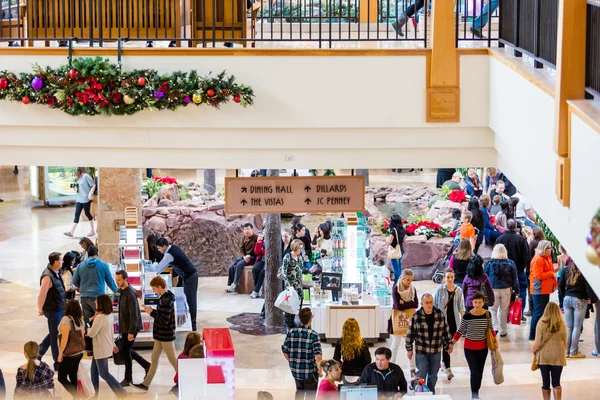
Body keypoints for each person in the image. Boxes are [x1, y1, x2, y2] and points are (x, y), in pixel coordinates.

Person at [134, 276, 177, 391]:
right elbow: (163, 315)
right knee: (154, 359)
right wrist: (152, 311)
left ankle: (183, 379)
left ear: (159, 287)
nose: (153, 291)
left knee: (173, 359)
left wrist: (151, 312)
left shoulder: (165, 300)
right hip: (161, 334)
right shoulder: (165, 298)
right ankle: (145, 384)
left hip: (165, 335)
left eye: (154, 289)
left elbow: (164, 319)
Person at [452, 292, 496, 400]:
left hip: (483, 348)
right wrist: (452, 343)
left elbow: (490, 328)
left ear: (483, 302)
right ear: (472, 303)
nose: (477, 304)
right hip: (470, 349)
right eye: (475, 302)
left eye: (479, 302)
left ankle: (476, 393)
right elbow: (460, 330)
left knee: (480, 372)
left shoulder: (487, 314)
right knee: (474, 371)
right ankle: (474, 396)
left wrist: (495, 340)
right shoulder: (467, 316)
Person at [405, 293, 451, 394]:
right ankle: (420, 393)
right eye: (426, 303)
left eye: (430, 302)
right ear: (422, 304)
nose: (429, 305)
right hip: (422, 350)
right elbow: (410, 334)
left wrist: (449, 345)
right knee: (421, 373)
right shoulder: (416, 316)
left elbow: (445, 331)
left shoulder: (439, 314)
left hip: (436, 350)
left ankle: (430, 393)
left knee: (433, 375)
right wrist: (409, 349)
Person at [87, 294, 127, 399]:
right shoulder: (109, 316)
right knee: (94, 372)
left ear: (101, 303)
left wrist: (87, 329)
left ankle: (121, 392)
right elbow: (110, 332)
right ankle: (94, 394)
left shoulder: (100, 318)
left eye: (96, 301)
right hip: (103, 347)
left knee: (104, 373)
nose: (95, 302)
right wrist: (113, 344)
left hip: (100, 349)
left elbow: (92, 334)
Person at [115, 270, 151, 386]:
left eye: (119, 280)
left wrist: (131, 332)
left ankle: (128, 378)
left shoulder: (130, 293)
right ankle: (146, 365)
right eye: (116, 280)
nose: (117, 282)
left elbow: (134, 314)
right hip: (125, 327)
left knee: (126, 351)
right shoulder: (121, 292)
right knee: (126, 350)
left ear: (126, 279)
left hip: (130, 328)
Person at [156, 237, 199, 331]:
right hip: (186, 276)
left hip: (190, 276)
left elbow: (159, 268)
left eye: (159, 248)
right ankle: (190, 321)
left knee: (191, 300)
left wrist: (151, 274)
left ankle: (193, 324)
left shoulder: (169, 255)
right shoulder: (173, 247)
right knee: (187, 298)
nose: (159, 250)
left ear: (164, 246)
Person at [71, 245, 119, 327]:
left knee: (88, 322)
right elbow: (110, 281)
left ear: (87, 254)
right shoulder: (104, 265)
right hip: (99, 297)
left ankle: (89, 338)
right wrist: (118, 292)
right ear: (97, 253)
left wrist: (81, 287)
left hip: (84, 297)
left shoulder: (81, 266)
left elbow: (74, 281)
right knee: (100, 321)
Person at [281, 307, 323, 400]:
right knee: (310, 396)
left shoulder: (291, 332)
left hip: (296, 371)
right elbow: (318, 356)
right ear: (310, 319)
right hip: (310, 373)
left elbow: (284, 350)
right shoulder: (314, 335)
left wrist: (292, 361)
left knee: (299, 392)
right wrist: (320, 370)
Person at [37, 252, 66, 371]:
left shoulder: (55, 272)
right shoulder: (48, 276)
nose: (62, 261)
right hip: (53, 310)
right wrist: (40, 309)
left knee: (54, 332)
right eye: (61, 260)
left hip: (58, 308)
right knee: (55, 336)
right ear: (55, 262)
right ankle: (57, 363)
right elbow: (41, 295)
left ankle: (39, 351)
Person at [434, 269, 465, 381]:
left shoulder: (458, 290)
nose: (450, 279)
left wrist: (465, 320)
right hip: (441, 322)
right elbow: (435, 305)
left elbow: (461, 307)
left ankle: (446, 365)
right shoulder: (439, 290)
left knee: (448, 345)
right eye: (448, 277)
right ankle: (447, 367)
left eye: (452, 277)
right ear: (444, 278)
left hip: (453, 321)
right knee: (442, 344)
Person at [496, 219, 531, 317]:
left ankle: (505, 314)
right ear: (516, 227)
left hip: (503, 272)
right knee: (522, 290)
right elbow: (527, 257)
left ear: (506, 226)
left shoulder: (500, 239)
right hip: (519, 270)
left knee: (505, 292)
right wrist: (525, 268)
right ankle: (519, 313)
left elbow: (495, 255)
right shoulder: (521, 239)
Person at [558, 259, 592, 358]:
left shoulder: (565, 270)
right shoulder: (583, 271)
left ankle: (566, 352)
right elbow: (587, 287)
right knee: (577, 327)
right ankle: (573, 352)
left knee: (569, 327)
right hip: (579, 300)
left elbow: (560, 286)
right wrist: (590, 299)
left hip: (567, 299)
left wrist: (563, 298)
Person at [533, 302, 567, 400]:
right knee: (556, 382)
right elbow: (565, 341)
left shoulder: (541, 323)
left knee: (545, 383)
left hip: (544, 356)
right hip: (558, 356)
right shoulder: (562, 324)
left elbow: (537, 343)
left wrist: (534, 352)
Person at [484, 244, 519, 337]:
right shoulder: (510, 263)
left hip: (493, 289)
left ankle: (494, 328)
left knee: (492, 309)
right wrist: (517, 290)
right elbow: (515, 278)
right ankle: (503, 330)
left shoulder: (489, 263)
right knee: (504, 310)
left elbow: (485, 277)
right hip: (506, 289)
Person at [389, 269, 418, 375]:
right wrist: (408, 302)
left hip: (409, 319)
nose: (409, 282)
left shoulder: (412, 289)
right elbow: (398, 306)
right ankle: (391, 365)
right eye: (407, 280)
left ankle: (412, 368)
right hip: (397, 320)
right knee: (395, 344)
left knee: (410, 344)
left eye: (411, 280)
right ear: (402, 278)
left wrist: (404, 303)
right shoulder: (396, 289)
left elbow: (416, 304)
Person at [529, 240, 557, 343]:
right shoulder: (538, 259)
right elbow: (538, 275)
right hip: (539, 290)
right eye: (549, 248)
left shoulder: (547, 258)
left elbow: (551, 271)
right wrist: (550, 274)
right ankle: (532, 336)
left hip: (546, 289)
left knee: (544, 312)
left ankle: (541, 333)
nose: (550, 250)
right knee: (538, 313)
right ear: (543, 249)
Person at [57, 299, 85, 398]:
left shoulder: (66, 319)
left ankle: (77, 396)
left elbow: (64, 338)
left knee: (61, 377)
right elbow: (82, 335)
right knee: (73, 375)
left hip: (69, 354)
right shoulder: (80, 319)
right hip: (79, 352)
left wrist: (60, 353)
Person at [333, 318, 372, 384]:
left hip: (346, 372)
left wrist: (342, 366)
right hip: (360, 373)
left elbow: (336, 358)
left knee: (347, 392)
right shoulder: (362, 342)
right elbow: (368, 360)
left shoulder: (340, 342)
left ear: (344, 329)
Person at [283, 239, 309, 330]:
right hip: (290, 285)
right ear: (295, 247)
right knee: (289, 304)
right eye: (299, 248)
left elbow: (301, 269)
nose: (300, 250)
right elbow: (284, 271)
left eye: (301, 249)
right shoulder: (287, 256)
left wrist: (309, 270)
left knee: (296, 304)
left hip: (298, 285)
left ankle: (292, 321)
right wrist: (288, 284)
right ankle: (287, 323)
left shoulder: (300, 257)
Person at [64, 167, 96, 238]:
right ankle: (71, 232)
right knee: (76, 214)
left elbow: (93, 185)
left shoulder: (86, 176)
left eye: (76, 168)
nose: (75, 170)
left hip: (86, 198)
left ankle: (93, 231)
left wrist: (90, 193)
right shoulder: (80, 177)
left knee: (87, 213)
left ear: (79, 169)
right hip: (79, 198)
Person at [226, 223, 258, 293]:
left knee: (239, 265)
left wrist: (249, 256)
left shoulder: (256, 238)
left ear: (252, 230)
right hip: (244, 256)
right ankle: (230, 285)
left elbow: (257, 251)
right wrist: (244, 256)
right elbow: (241, 249)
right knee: (231, 266)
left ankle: (235, 283)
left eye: (248, 229)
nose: (246, 231)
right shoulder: (243, 237)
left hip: (252, 257)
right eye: (245, 229)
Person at [525, 228, 546, 317]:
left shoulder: (532, 243)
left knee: (531, 290)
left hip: (533, 271)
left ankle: (531, 309)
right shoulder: (546, 243)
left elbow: (528, 257)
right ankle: (542, 309)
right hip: (544, 270)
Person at [387, 213, 407, 286]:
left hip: (394, 252)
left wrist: (387, 239)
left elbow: (389, 241)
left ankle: (396, 284)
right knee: (399, 268)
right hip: (401, 251)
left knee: (396, 270)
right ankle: (400, 283)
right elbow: (405, 241)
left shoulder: (393, 230)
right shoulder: (403, 229)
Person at [251, 231, 266, 299]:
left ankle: (255, 291)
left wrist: (263, 250)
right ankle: (258, 288)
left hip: (269, 262)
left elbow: (268, 252)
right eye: (264, 232)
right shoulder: (261, 240)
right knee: (255, 269)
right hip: (261, 260)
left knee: (262, 273)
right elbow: (257, 252)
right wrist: (259, 242)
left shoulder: (273, 240)